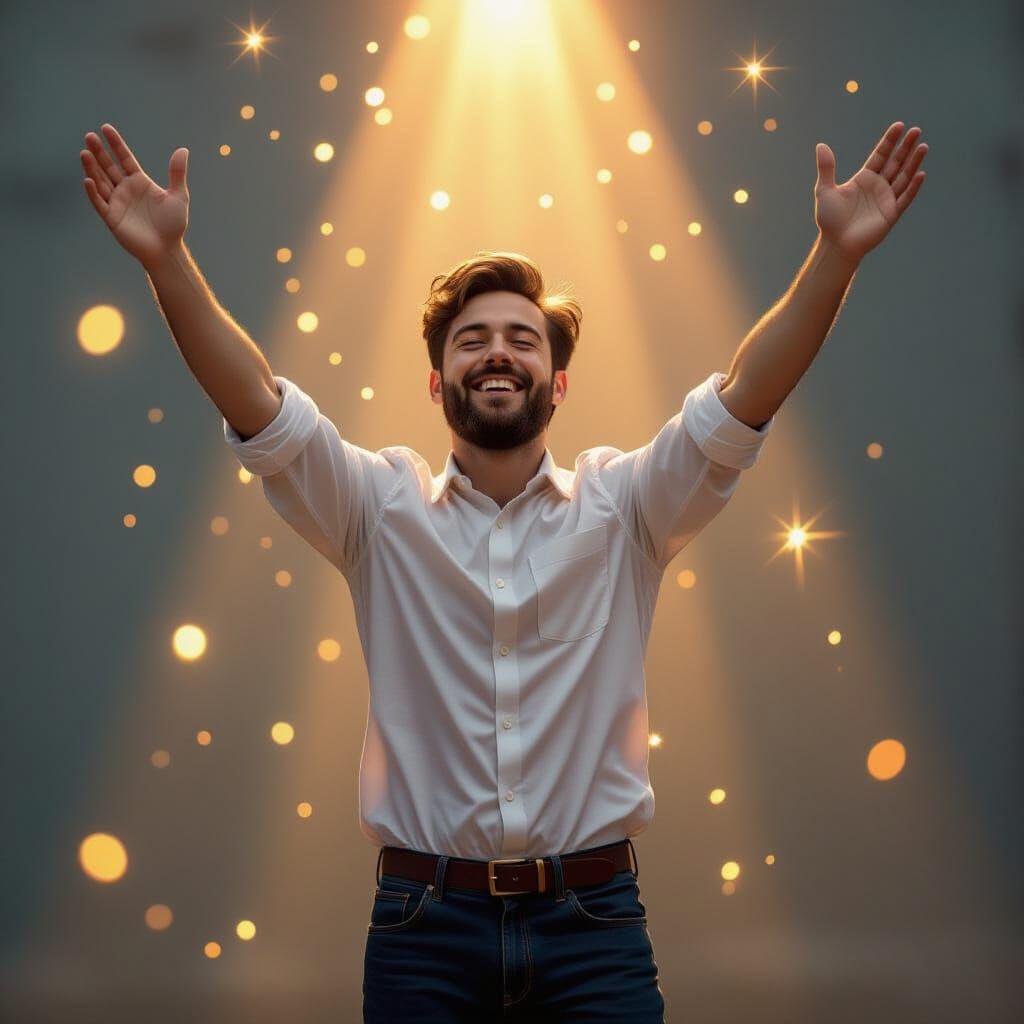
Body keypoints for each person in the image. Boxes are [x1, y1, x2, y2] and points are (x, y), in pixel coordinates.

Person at [81, 119, 926, 1022]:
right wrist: (166, 262)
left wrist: (835, 256)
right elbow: (258, 405)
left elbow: (743, 398)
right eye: (472, 339)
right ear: (437, 383)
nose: (497, 352)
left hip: (593, 925)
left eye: (524, 340)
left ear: (557, 383)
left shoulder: (628, 506)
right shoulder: (376, 508)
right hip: (423, 929)